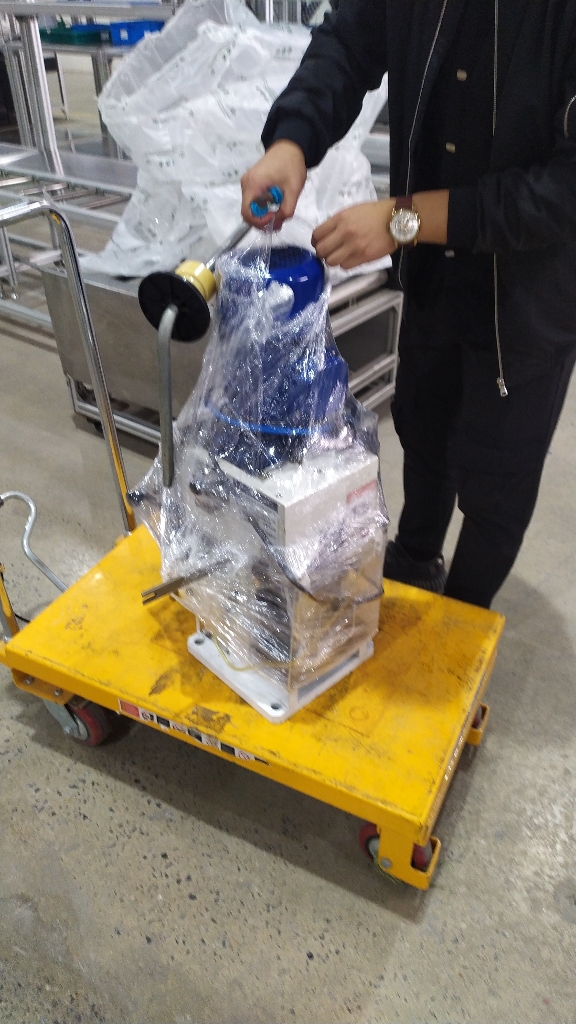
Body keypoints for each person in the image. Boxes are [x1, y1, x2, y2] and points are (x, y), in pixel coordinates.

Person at [240, 0, 576, 609]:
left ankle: (463, 617)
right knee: (424, 427)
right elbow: (350, 43)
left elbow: (563, 189)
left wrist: (406, 219)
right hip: (434, 276)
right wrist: (293, 139)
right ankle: (417, 556)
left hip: (528, 297)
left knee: (498, 478)